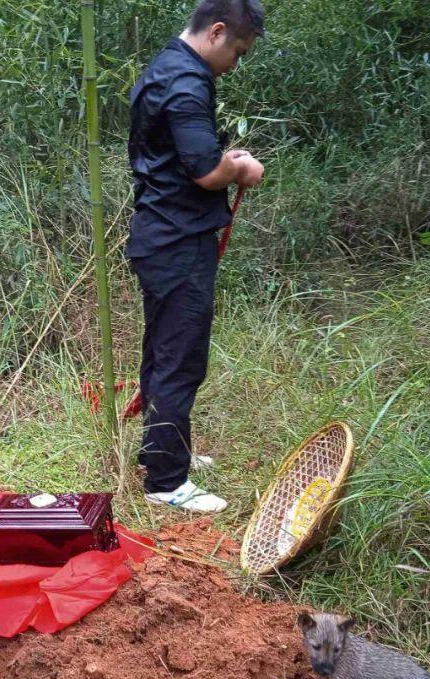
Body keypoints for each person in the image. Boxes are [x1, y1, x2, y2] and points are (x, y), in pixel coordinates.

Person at [127, 0, 266, 513]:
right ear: (218, 31)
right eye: (239, 51)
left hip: (162, 235)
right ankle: (167, 481)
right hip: (177, 239)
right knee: (180, 357)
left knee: (165, 349)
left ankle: (163, 446)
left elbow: (182, 157)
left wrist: (220, 162)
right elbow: (206, 172)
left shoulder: (165, 66)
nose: (237, 62)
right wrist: (242, 166)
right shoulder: (186, 82)